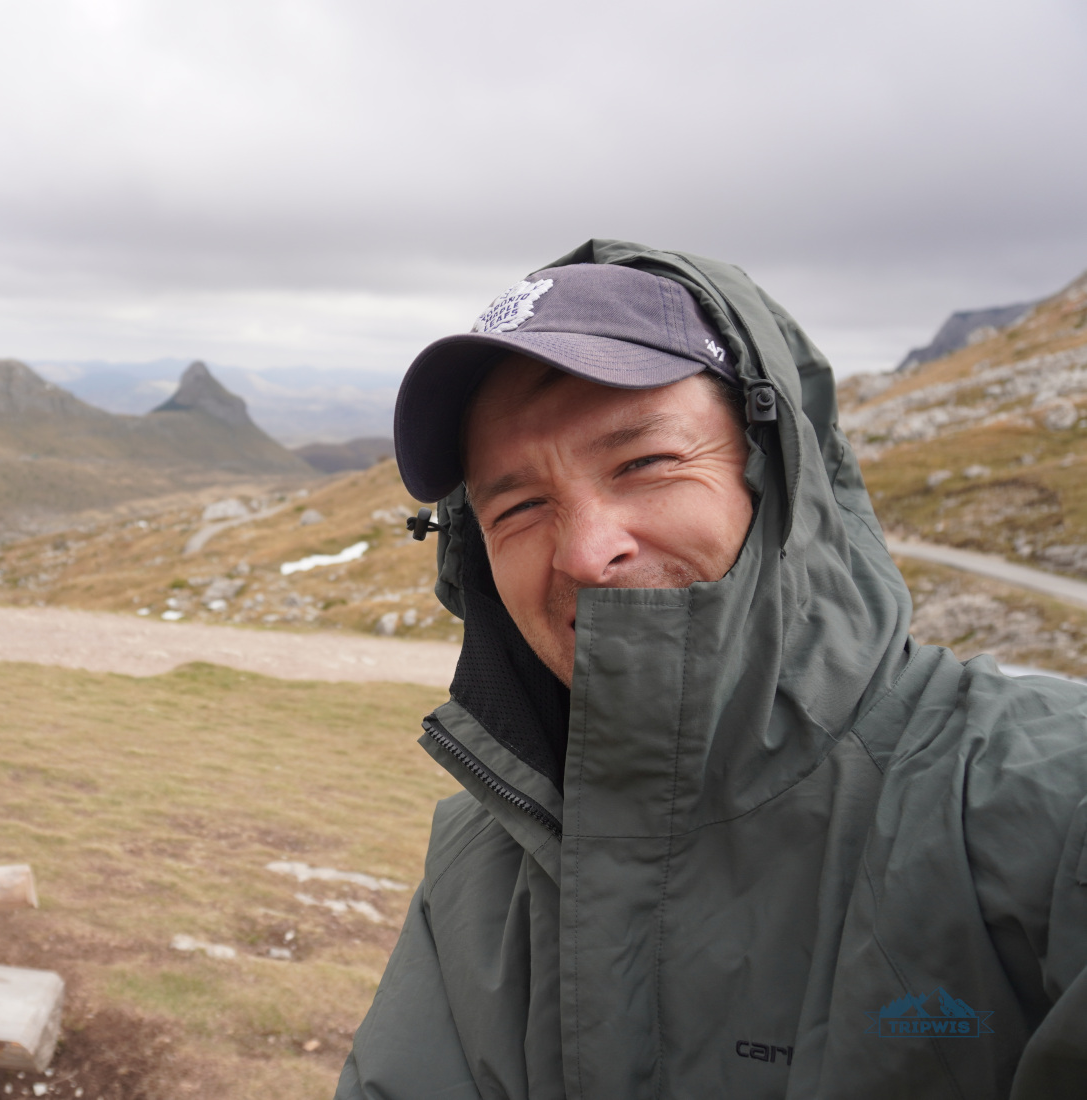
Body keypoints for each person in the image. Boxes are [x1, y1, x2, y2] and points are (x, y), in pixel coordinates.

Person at [337, 242, 1087, 1098]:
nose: (584, 552)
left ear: (777, 470)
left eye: (645, 463)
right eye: (519, 507)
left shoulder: (1048, 808)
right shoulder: (476, 872)